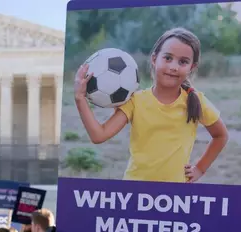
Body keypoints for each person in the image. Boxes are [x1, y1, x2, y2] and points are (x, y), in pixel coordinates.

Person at [74, 27, 228, 183]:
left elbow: (221, 135)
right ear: (154, 59)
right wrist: (80, 98)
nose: (173, 66)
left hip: (176, 194)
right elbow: (98, 135)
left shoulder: (196, 101)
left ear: (192, 67)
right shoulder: (135, 101)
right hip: (135, 190)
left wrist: (200, 168)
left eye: (183, 62)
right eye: (168, 58)